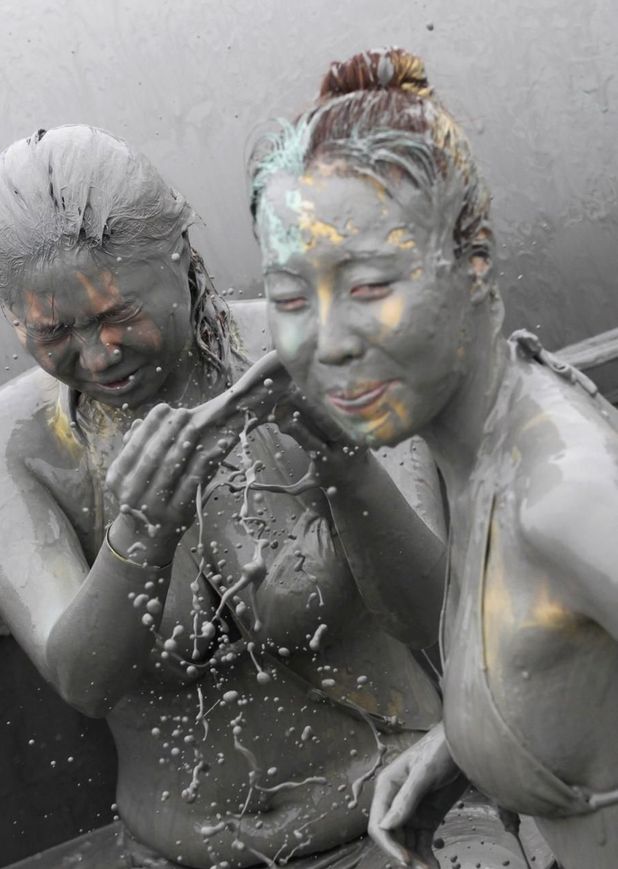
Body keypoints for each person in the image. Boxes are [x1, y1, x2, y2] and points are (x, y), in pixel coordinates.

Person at [0, 125, 451, 868]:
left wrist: (348, 465)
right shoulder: (5, 446)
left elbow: (435, 613)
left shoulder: (320, 351)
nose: (96, 354)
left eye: (119, 313)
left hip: (408, 818)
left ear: (180, 254)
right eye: (55, 331)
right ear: (11, 315)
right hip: (176, 854)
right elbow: (85, 681)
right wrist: (138, 535)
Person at [249, 47, 618, 869]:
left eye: (371, 285)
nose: (328, 341)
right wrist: (474, 739)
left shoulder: (565, 496)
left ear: (474, 258)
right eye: (286, 298)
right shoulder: (479, 446)